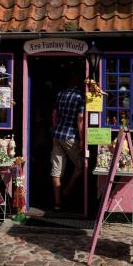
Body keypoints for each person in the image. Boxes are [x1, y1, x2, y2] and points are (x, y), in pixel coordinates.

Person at [50, 73, 85, 211]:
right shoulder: (80, 96)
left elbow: (54, 114)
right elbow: (80, 119)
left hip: (57, 134)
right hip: (70, 135)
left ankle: (57, 203)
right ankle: (67, 190)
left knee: (56, 169)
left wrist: (55, 129)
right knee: (81, 165)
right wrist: (82, 140)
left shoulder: (60, 94)